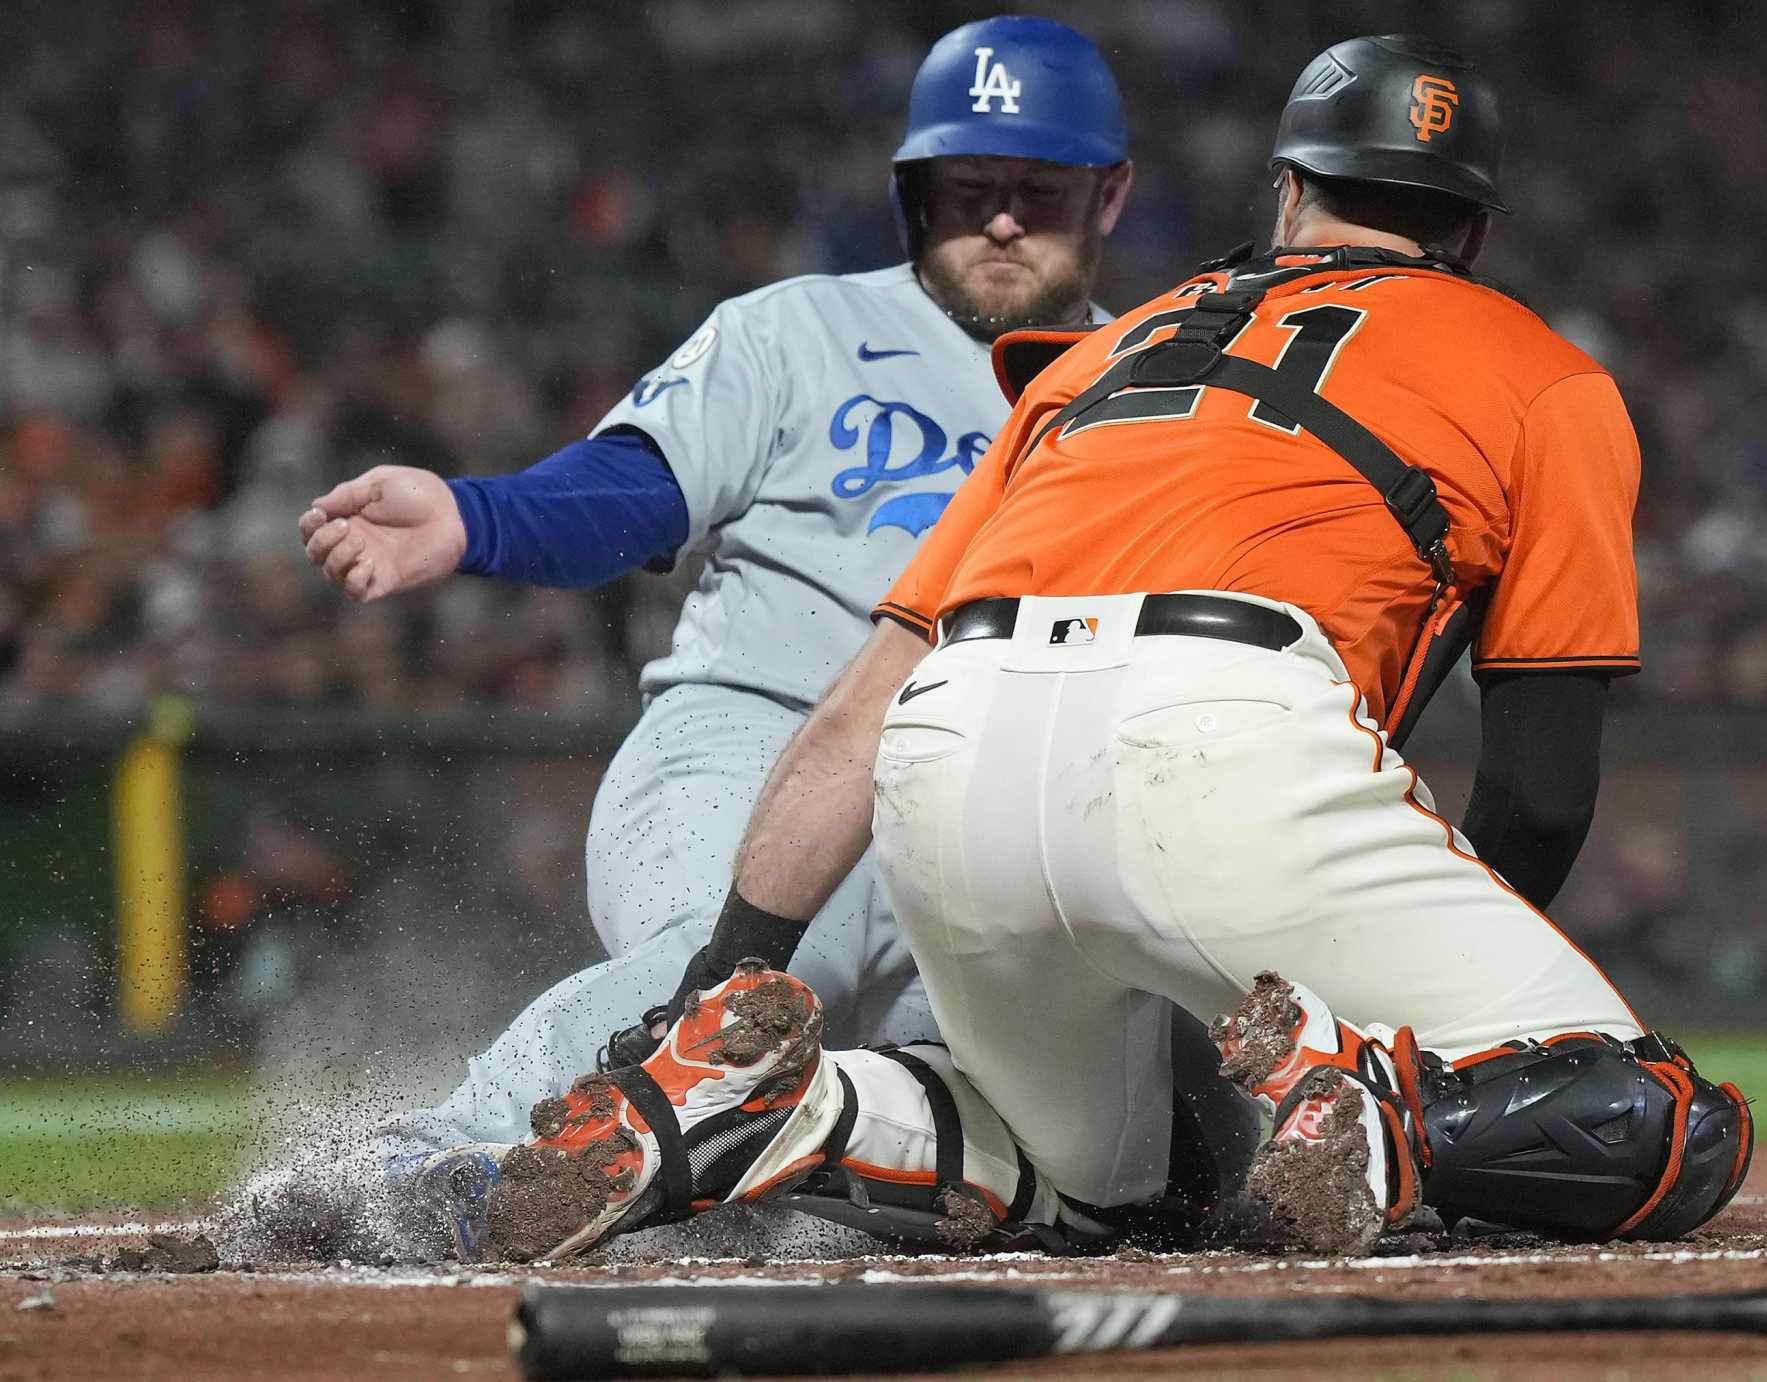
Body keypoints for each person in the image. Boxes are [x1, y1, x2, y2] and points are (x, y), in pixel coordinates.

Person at [477, 34, 1753, 1263]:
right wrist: (1437, 1036)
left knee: (1079, 1174)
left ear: (1289, 191)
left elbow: (859, 711)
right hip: (1224, 734)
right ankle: (1387, 1120)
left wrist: (729, 972)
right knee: (1659, 1121)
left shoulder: (1096, 357)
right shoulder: (1550, 380)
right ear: (1473, 228)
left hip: (953, 739)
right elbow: (1538, 790)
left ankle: (769, 1107)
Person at [267, 17, 1195, 1258]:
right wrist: (477, 515)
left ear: (1111, 193)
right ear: (913, 194)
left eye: (1040, 192)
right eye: (970, 191)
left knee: (1001, 1091)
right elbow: (636, 489)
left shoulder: (1156, 388)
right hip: (749, 741)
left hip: (991, 807)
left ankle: (758, 1214)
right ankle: (431, 1158)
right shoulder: (793, 332)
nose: (1004, 222)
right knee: (769, 945)